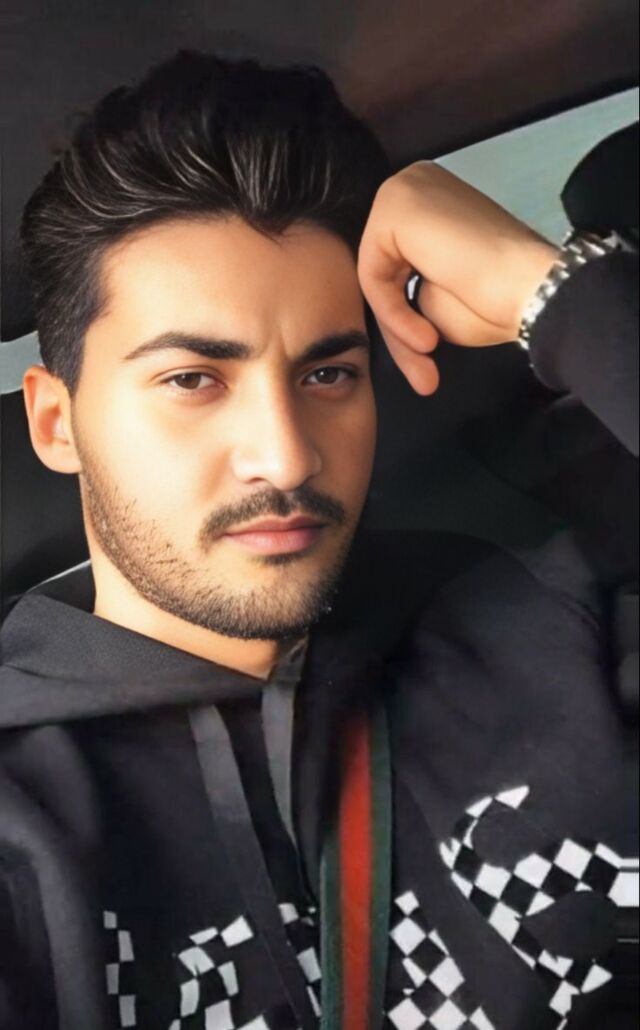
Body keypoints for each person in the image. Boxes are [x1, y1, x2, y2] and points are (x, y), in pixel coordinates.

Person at [0, 49, 637, 1030]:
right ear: (56, 424)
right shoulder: (24, 827)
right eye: (193, 380)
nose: (287, 455)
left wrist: (551, 294)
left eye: (327, 374)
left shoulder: (550, 631)